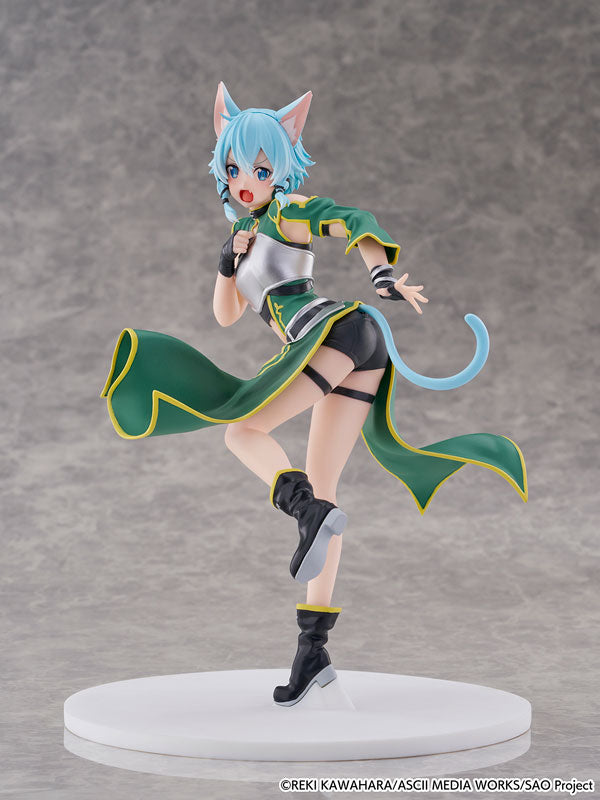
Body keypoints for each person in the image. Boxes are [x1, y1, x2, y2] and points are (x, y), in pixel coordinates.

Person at [101, 83, 527, 707]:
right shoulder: (244, 233)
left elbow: (352, 219)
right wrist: (226, 262)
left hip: (333, 332)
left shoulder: (287, 212)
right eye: (235, 169)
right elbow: (225, 315)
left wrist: (380, 271)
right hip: (349, 348)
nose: (247, 181)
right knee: (327, 494)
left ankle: (303, 511)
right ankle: (313, 648)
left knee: (243, 431)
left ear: (283, 164)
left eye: (261, 169)